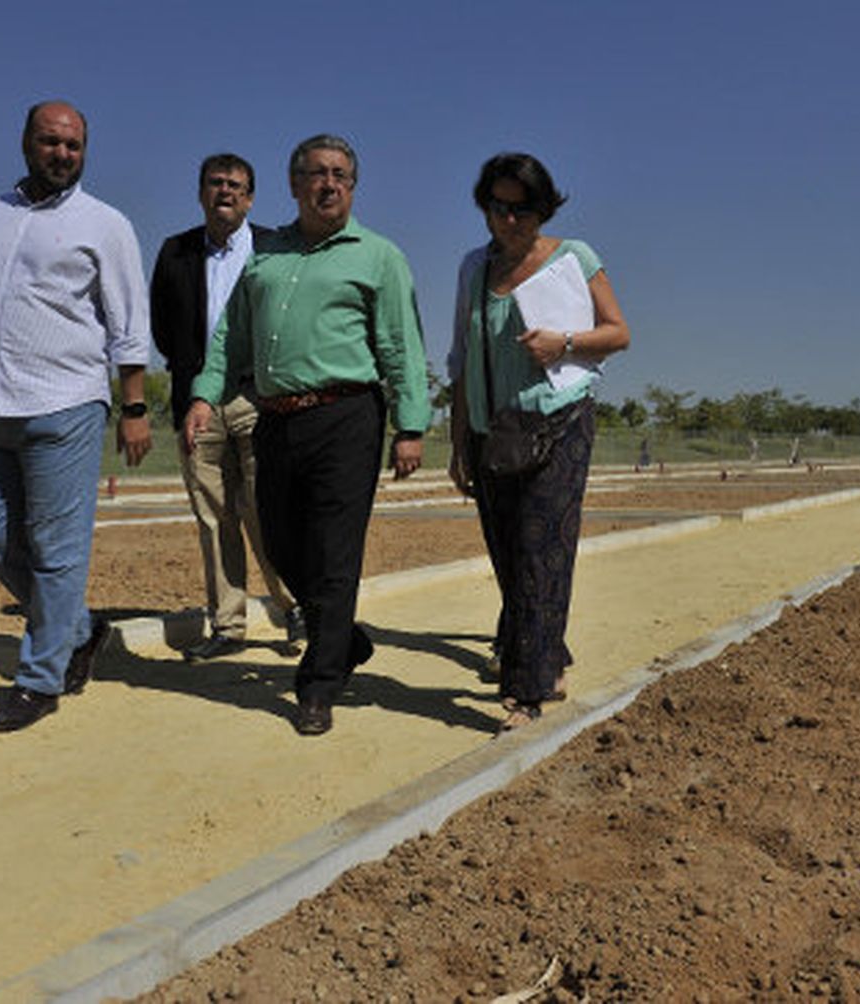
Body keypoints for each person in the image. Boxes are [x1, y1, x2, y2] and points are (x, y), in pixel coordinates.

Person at [185, 134, 430, 737]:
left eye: (341, 175)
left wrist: (411, 424)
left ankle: (318, 685)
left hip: (347, 415)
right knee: (283, 544)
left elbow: (400, 344)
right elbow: (228, 339)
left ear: (352, 185)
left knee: (335, 551)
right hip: (275, 417)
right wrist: (202, 393)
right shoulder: (265, 257)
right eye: (317, 174)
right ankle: (341, 639)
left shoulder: (379, 256)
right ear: (295, 185)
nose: (330, 184)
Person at [0, 100, 153, 733]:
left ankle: (39, 680)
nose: (62, 155)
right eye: (51, 143)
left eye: (74, 146)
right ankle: (78, 631)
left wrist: (134, 407)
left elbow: (130, 327)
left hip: (67, 403)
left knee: (56, 552)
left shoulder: (105, 224)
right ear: (26, 142)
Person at [447, 152, 631, 733]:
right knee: (508, 555)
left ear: (542, 208)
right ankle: (546, 658)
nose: (508, 221)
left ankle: (525, 693)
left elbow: (618, 333)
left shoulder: (575, 258)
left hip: (559, 421)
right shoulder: (474, 270)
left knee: (541, 548)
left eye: (520, 209)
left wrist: (565, 342)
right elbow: (460, 358)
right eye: (497, 208)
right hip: (491, 432)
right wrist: (458, 441)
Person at [151, 153, 303, 661]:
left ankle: (295, 608)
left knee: (268, 511)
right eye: (216, 184)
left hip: (258, 398)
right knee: (213, 517)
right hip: (197, 403)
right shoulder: (175, 253)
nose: (226, 192)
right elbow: (162, 329)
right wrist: (196, 385)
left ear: (251, 197)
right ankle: (228, 626)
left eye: (236, 185)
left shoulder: (275, 248)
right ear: (200, 193)